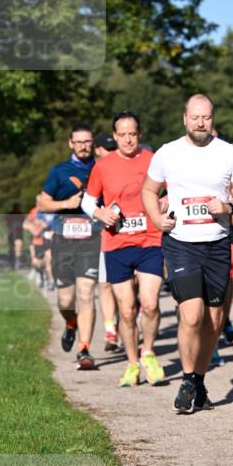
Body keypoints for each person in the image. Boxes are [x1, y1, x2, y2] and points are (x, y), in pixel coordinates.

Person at [141, 94, 233, 414]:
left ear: (212, 119)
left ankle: (199, 380)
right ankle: (188, 380)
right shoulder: (168, 153)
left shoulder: (228, 153)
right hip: (181, 243)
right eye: (195, 117)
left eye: (206, 117)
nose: (200, 123)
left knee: (214, 320)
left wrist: (228, 207)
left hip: (217, 244)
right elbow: (148, 190)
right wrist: (155, 218)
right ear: (185, 119)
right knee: (191, 315)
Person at [83, 113, 165, 387]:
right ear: (115, 136)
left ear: (139, 134)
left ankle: (149, 353)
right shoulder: (103, 166)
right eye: (122, 134)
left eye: (132, 133)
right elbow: (88, 200)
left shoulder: (153, 160)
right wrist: (99, 213)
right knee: (127, 311)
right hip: (116, 243)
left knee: (151, 303)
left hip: (149, 240)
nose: (128, 139)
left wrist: (164, 203)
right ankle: (132, 365)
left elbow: (171, 190)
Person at [39, 124, 100, 370]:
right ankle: (71, 323)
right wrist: (67, 203)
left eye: (88, 142)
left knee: (86, 292)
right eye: (79, 142)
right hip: (63, 240)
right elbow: (44, 203)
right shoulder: (59, 171)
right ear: (71, 144)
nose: (84, 146)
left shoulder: (101, 168)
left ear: (92, 143)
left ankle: (84, 348)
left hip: (91, 239)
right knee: (66, 299)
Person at [92, 133, 120, 352]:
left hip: (133, 235)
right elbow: (89, 202)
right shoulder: (97, 171)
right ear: (97, 150)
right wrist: (98, 212)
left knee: (131, 287)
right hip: (103, 236)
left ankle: (127, 318)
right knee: (105, 284)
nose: (110, 154)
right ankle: (110, 330)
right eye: (106, 150)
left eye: (113, 149)